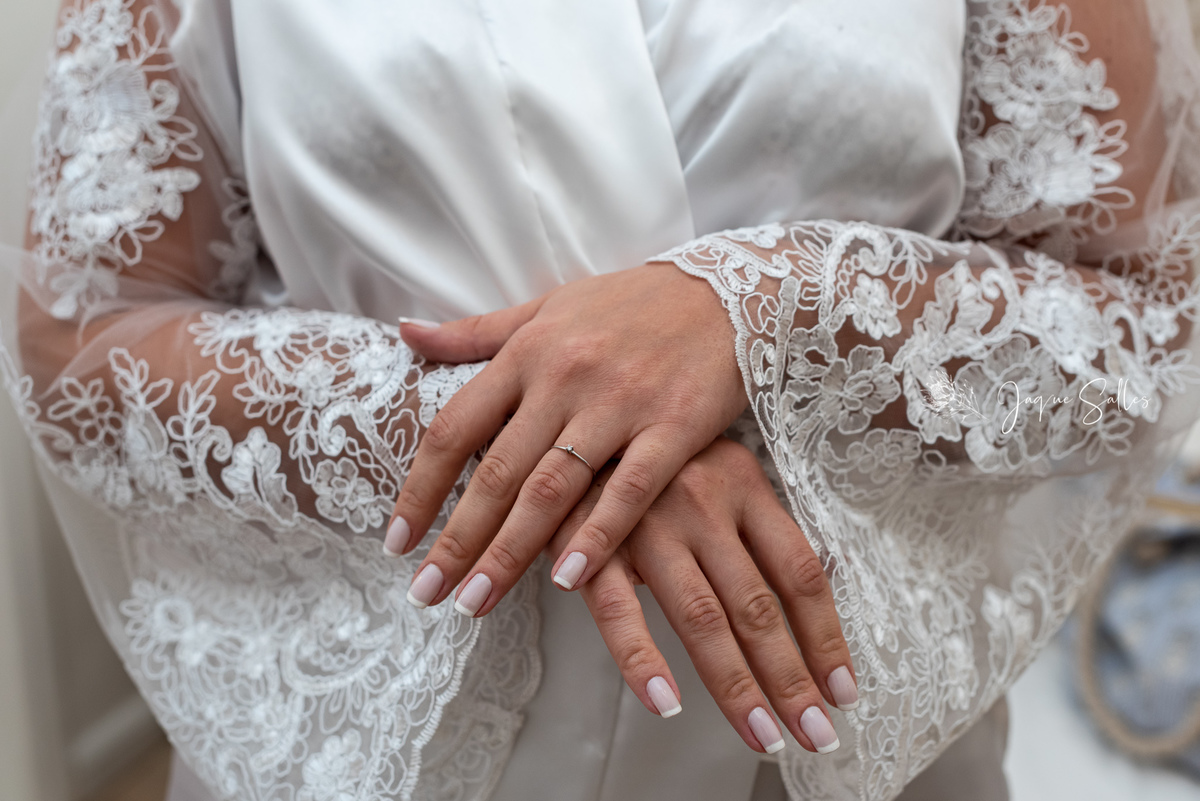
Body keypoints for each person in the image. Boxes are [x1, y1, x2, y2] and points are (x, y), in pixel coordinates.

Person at [2, 0, 1199, 799]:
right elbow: (83, 335)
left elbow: (1146, 302)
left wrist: (772, 314)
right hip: (384, 738)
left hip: (830, 736)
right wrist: (506, 426)